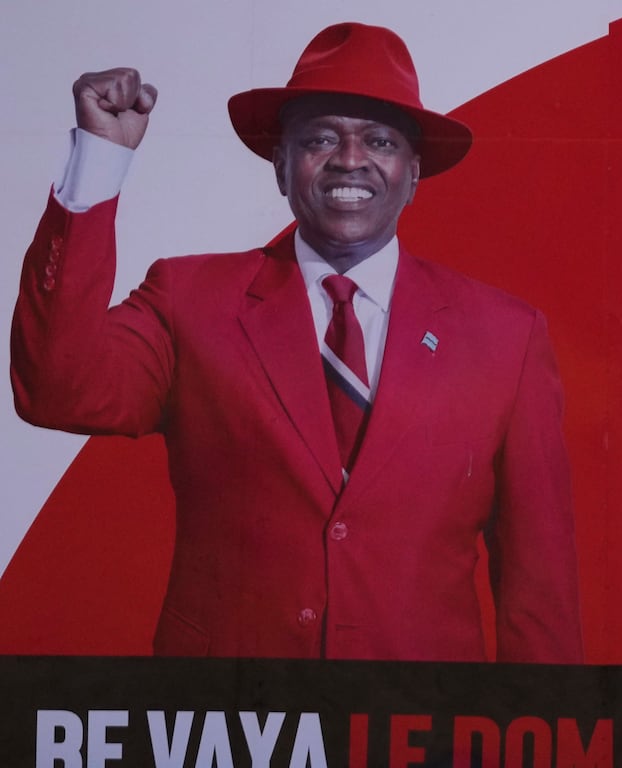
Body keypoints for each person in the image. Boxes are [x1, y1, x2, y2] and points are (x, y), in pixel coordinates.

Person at [10, 23, 582, 664]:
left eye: (380, 140)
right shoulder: (189, 300)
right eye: (318, 138)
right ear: (280, 166)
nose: (348, 159)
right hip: (226, 735)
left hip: (423, 737)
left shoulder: (506, 336)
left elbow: (541, 588)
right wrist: (100, 160)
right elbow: (56, 389)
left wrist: (539, 744)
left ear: (412, 173)